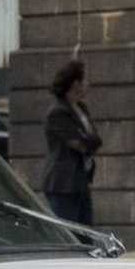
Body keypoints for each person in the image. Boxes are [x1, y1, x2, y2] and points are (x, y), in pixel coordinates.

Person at [41, 60, 102, 225]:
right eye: (85, 80)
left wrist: (88, 140)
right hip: (63, 183)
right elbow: (78, 144)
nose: (88, 84)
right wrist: (87, 141)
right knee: (69, 232)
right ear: (76, 83)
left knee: (86, 231)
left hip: (81, 180)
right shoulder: (58, 112)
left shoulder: (81, 108)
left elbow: (95, 139)